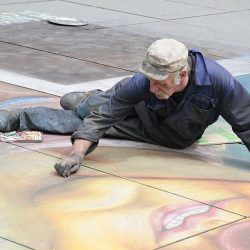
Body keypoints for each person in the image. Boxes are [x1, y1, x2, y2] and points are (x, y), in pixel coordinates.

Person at [0, 39, 249, 177]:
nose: (153, 87)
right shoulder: (145, 83)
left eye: (160, 83)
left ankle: (33, 114)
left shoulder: (219, 82)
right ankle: (79, 102)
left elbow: (247, 124)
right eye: (150, 80)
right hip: (136, 104)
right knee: (94, 111)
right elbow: (105, 115)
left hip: (164, 134)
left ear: (182, 74)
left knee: (83, 121)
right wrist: (76, 153)